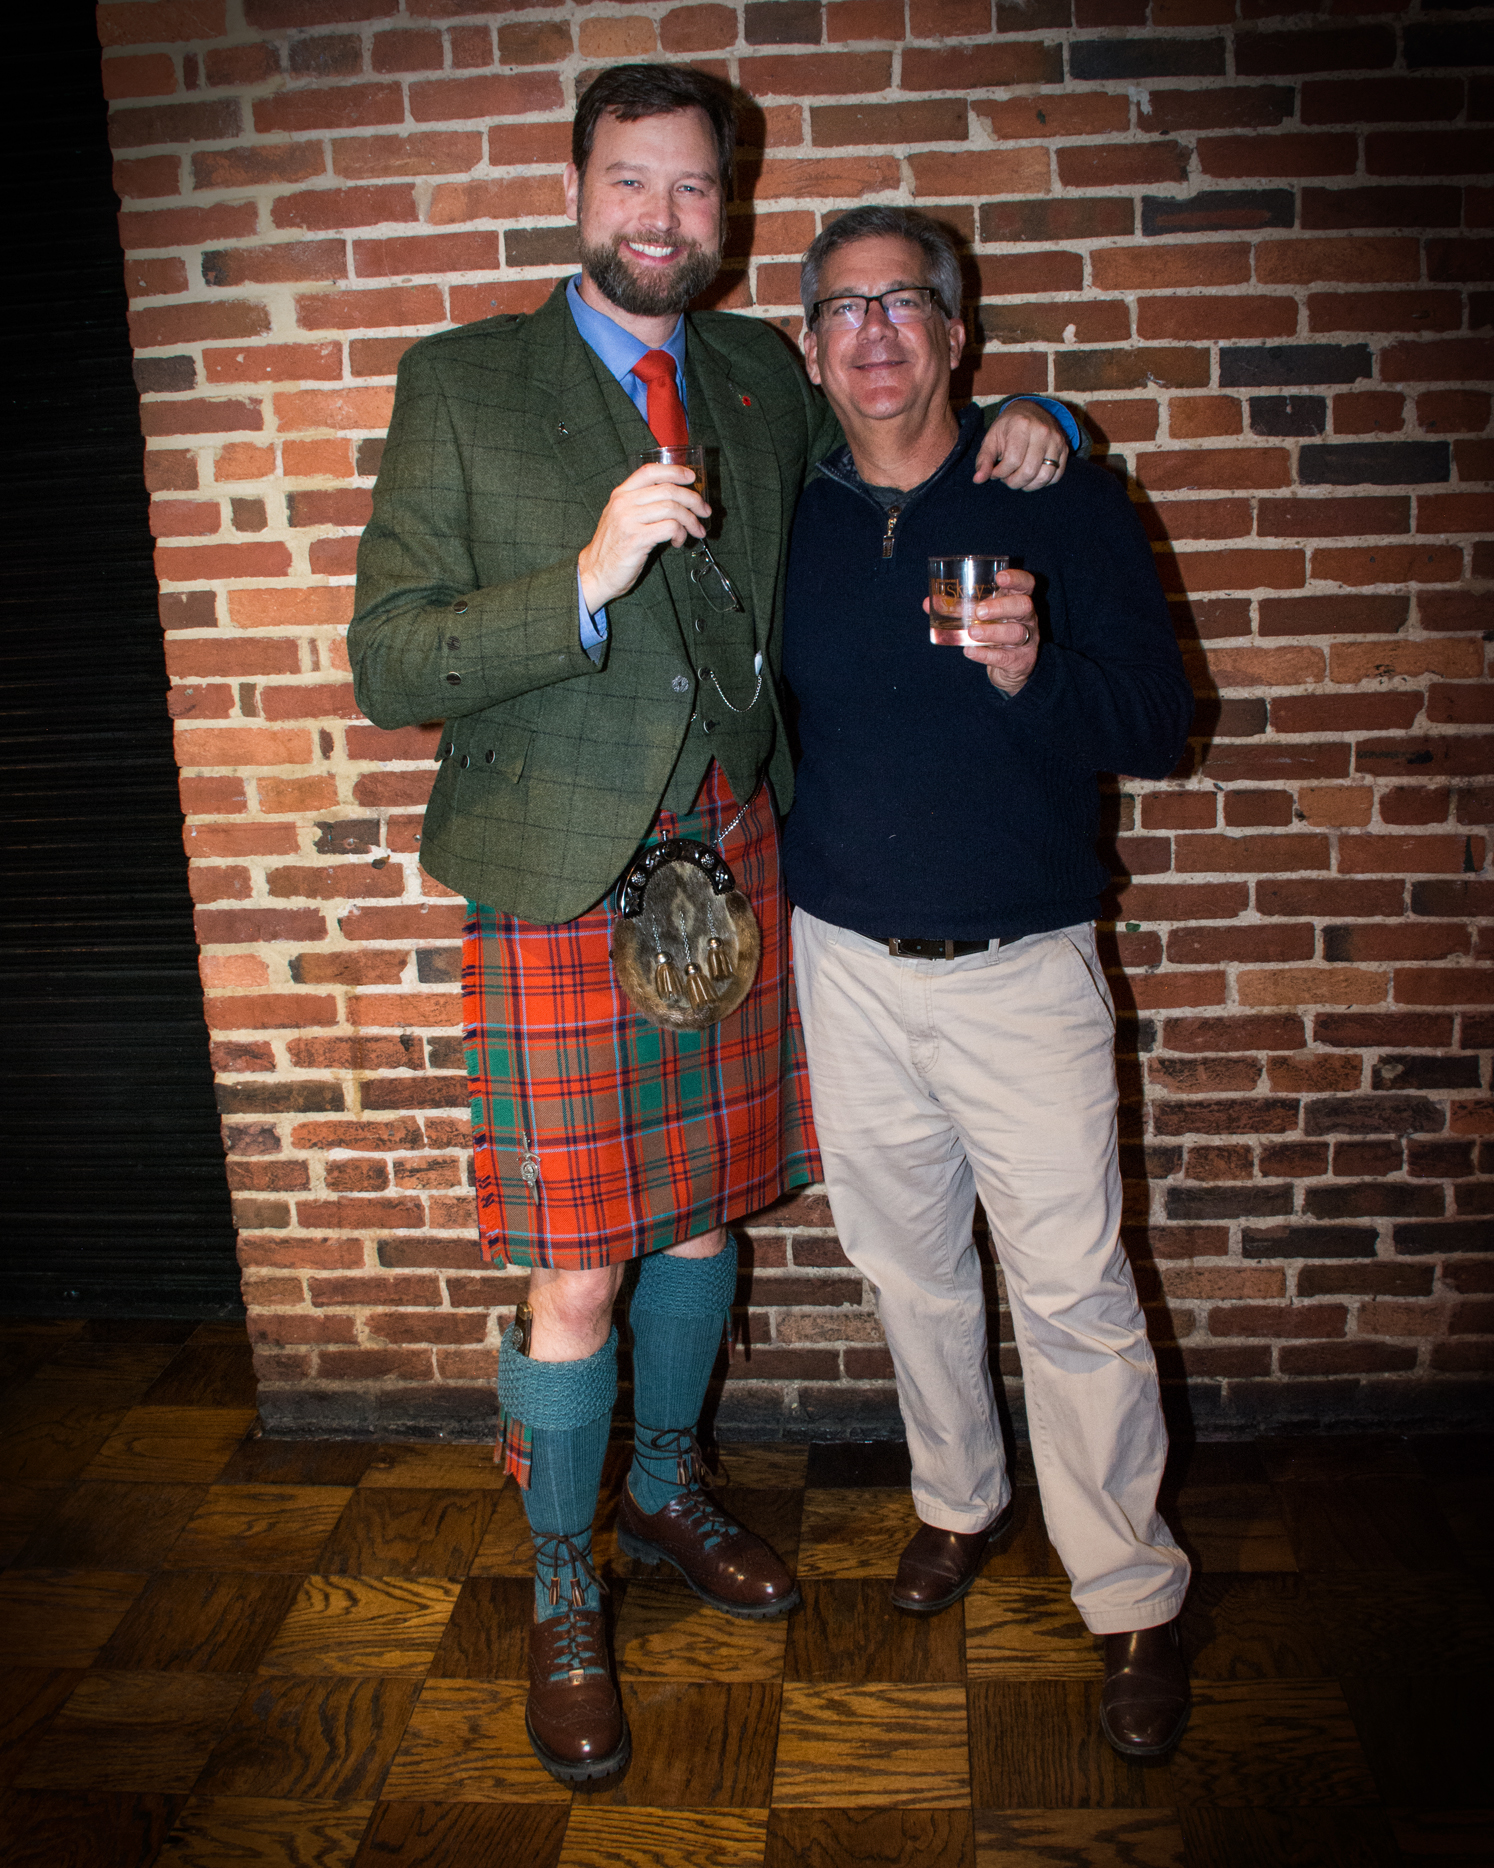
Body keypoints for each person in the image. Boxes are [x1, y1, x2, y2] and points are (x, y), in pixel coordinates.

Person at [349, 67, 1078, 1786]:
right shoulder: (462, 381)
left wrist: (1038, 415)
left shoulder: (758, 369)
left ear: (725, 212)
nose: (661, 217)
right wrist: (582, 579)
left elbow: (901, 427)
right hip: (560, 875)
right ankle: (560, 1585)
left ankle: (667, 1490)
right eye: (631, 181)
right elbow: (388, 659)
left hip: (734, 860)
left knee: (696, 1225)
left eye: (691, 189)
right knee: (578, 1264)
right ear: (578, 189)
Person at [781, 204, 1196, 1759]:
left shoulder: (1055, 494)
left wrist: (1036, 669)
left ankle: (1132, 1591)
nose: (874, 331)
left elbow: (1159, 723)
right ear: (809, 349)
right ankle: (958, 1501)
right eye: (843, 308)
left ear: (956, 337)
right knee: (907, 1270)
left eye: (905, 302)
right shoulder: (786, 509)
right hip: (844, 956)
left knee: (1072, 1289)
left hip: (1020, 964)